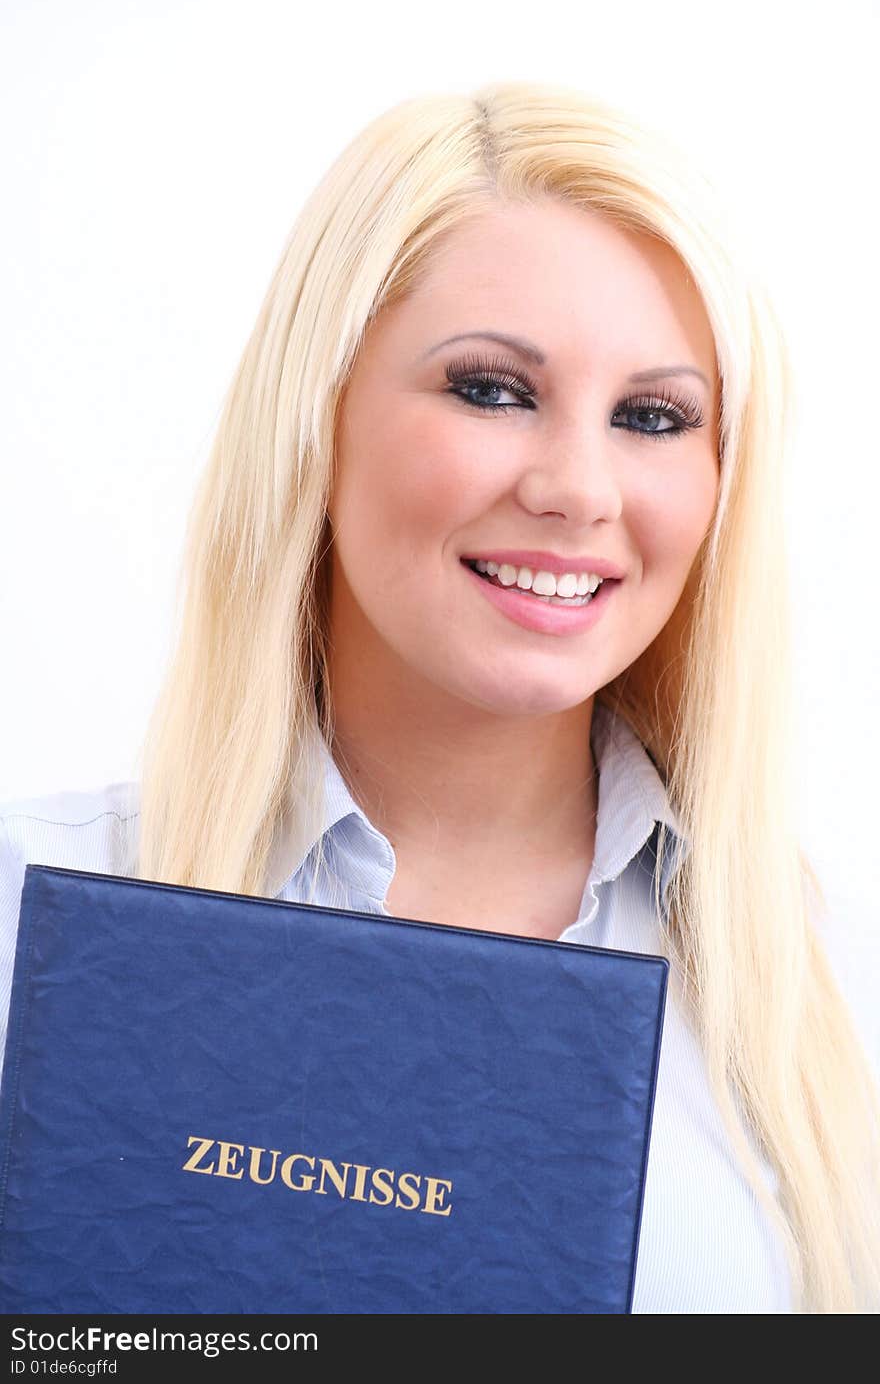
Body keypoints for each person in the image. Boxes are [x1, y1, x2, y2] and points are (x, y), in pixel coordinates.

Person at [1, 80, 878, 1314]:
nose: (579, 487)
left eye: (653, 415)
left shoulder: (843, 998)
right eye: (491, 389)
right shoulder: (25, 928)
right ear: (320, 418)